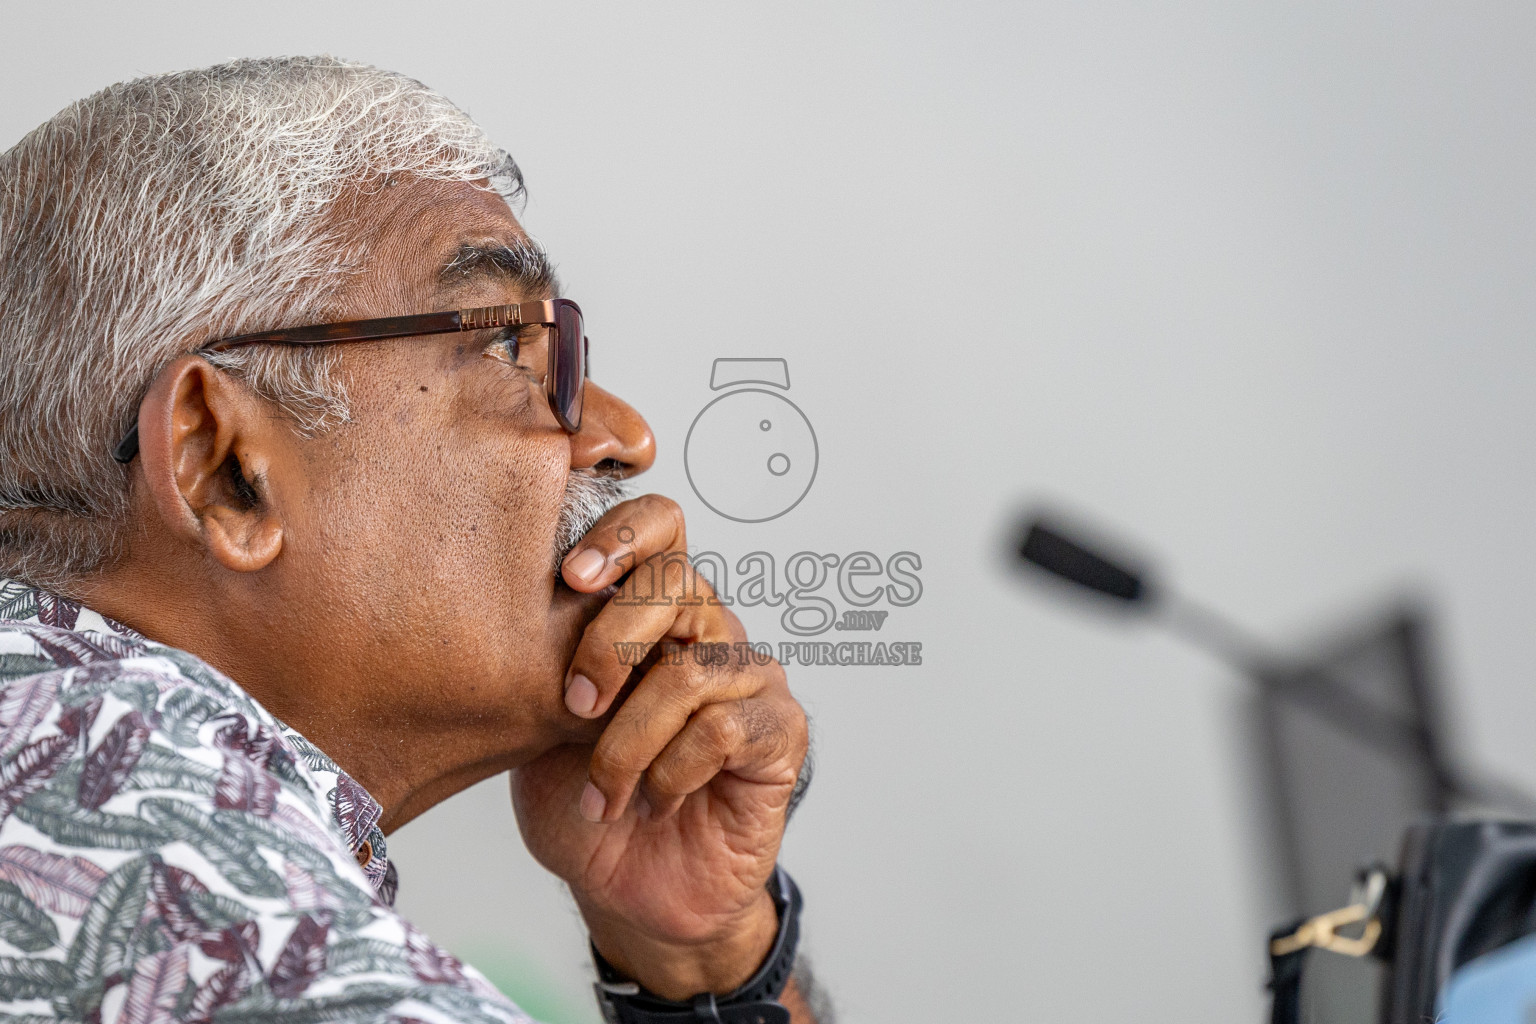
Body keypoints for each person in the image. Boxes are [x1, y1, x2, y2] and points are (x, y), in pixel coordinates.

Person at [0, 56, 825, 1024]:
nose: (624, 435)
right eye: (509, 346)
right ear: (223, 465)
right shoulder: (181, 870)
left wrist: (704, 961)